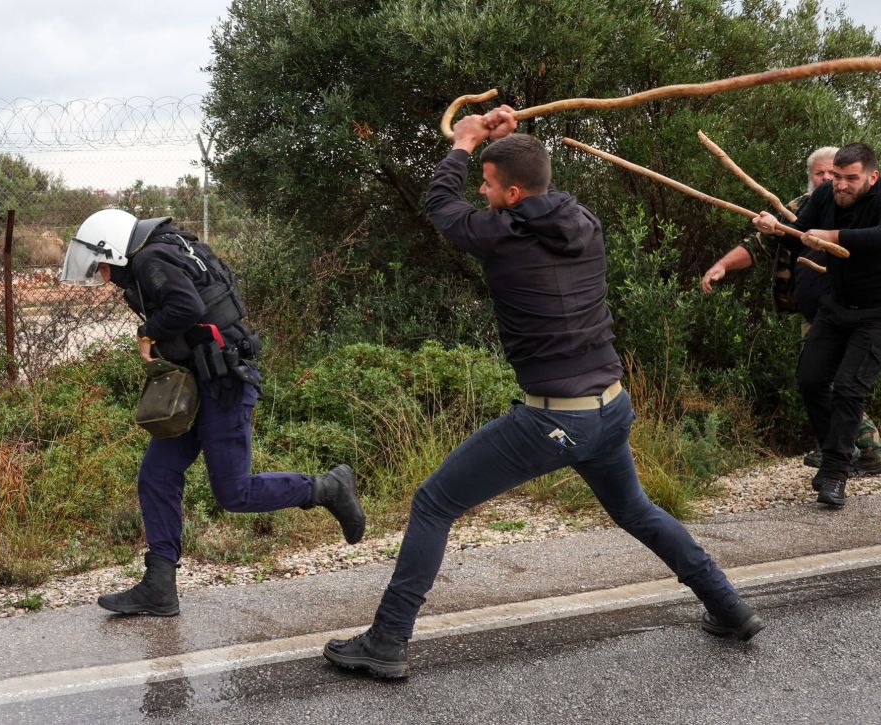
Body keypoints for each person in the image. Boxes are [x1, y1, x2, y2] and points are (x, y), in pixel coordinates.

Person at [323, 108, 764, 680]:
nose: (479, 192)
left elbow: (439, 204)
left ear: (509, 193)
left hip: (557, 420)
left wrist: (463, 143)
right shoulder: (583, 219)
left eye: (487, 185)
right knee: (635, 510)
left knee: (434, 502)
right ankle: (729, 608)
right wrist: (506, 145)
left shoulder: (501, 236)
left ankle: (386, 641)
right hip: (610, 405)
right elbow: (541, 188)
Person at [60, 210, 366, 616]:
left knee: (234, 492)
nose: (100, 274)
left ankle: (327, 487)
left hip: (224, 381)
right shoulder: (167, 248)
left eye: (101, 264)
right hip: (198, 377)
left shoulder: (151, 260)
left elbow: (186, 306)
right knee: (158, 473)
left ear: (113, 249)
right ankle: (159, 586)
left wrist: (147, 331)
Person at [701, 148, 881, 477]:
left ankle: (865, 451)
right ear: (810, 176)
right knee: (814, 378)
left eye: (835, 173)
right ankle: (838, 447)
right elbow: (761, 243)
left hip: (854, 312)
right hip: (815, 314)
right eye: (821, 174)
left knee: (839, 381)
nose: (829, 179)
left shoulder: (863, 207)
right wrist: (722, 266)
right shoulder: (801, 208)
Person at [750, 142, 881, 507]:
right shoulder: (825, 195)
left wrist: (833, 237)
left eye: (850, 178)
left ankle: (836, 473)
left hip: (880, 312)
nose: (840, 185)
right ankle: (842, 450)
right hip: (837, 307)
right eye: (837, 177)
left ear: (872, 177)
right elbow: (802, 230)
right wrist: (774, 228)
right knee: (810, 378)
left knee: (850, 388)